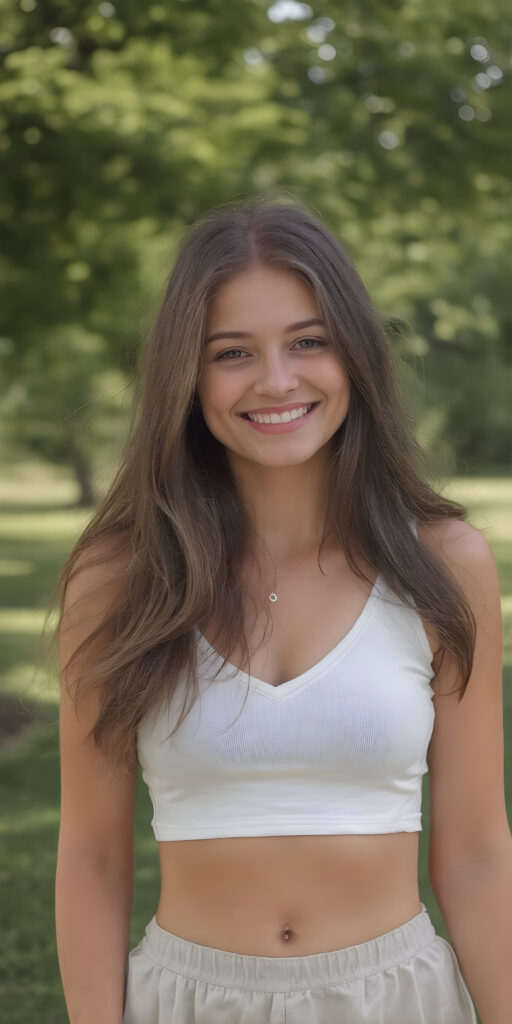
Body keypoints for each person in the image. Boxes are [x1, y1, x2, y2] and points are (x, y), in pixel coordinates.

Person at [53, 195, 509, 1024]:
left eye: (308, 342)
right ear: (185, 376)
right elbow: (90, 858)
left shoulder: (442, 565)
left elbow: (477, 854)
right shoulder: (119, 579)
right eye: (233, 352)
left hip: (397, 1000)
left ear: (355, 357)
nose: (276, 380)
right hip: (185, 1001)